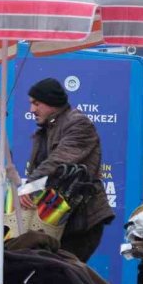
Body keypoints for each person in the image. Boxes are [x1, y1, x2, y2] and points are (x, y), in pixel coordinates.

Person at [22, 77, 114, 263]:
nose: (32, 110)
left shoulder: (78, 124)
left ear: (52, 102)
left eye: (36, 103)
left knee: (66, 277)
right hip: (57, 217)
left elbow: (59, 160)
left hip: (82, 222)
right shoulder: (46, 128)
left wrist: (28, 186)